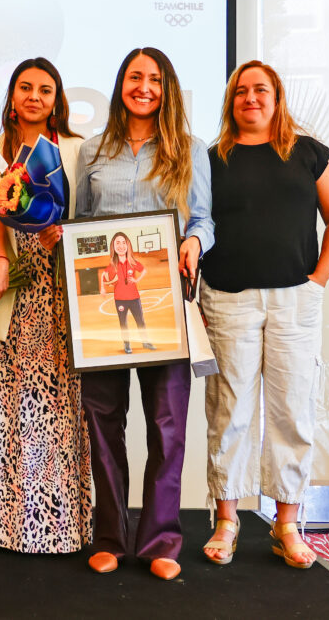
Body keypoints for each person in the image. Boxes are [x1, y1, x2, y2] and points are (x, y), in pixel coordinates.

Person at [200, 60, 329, 569]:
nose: (251, 98)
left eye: (260, 89)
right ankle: (227, 521)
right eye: (241, 91)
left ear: (277, 97)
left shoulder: (308, 153)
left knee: (292, 411)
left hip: (295, 301)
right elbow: (198, 222)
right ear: (231, 102)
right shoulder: (212, 159)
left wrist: (317, 282)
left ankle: (287, 525)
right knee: (229, 411)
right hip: (228, 299)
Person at [74, 47, 213, 580]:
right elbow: (81, 220)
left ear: (167, 88)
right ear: (121, 85)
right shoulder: (93, 150)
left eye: (155, 79)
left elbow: (203, 219)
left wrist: (194, 243)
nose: (144, 87)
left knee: (167, 425)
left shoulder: (189, 150)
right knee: (103, 422)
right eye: (135, 77)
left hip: (166, 303)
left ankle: (160, 542)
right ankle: (110, 537)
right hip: (101, 308)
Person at [0, 57, 92, 553]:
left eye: (45, 89)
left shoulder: (76, 149)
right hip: (6, 284)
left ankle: (54, 525)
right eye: (26, 87)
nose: (34, 96)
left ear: (57, 100)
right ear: (12, 96)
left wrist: (64, 233)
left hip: (58, 289)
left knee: (53, 403)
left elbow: (89, 216)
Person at [100, 232, 155, 354]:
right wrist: (102, 288)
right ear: (113, 246)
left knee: (140, 321)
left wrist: (136, 280)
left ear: (128, 245)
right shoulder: (112, 265)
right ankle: (127, 345)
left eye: (123, 242)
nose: (121, 246)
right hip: (120, 299)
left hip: (134, 298)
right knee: (123, 323)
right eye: (117, 243)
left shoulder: (132, 262)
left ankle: (145, 342)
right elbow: (103, 275)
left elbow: (144, 270)